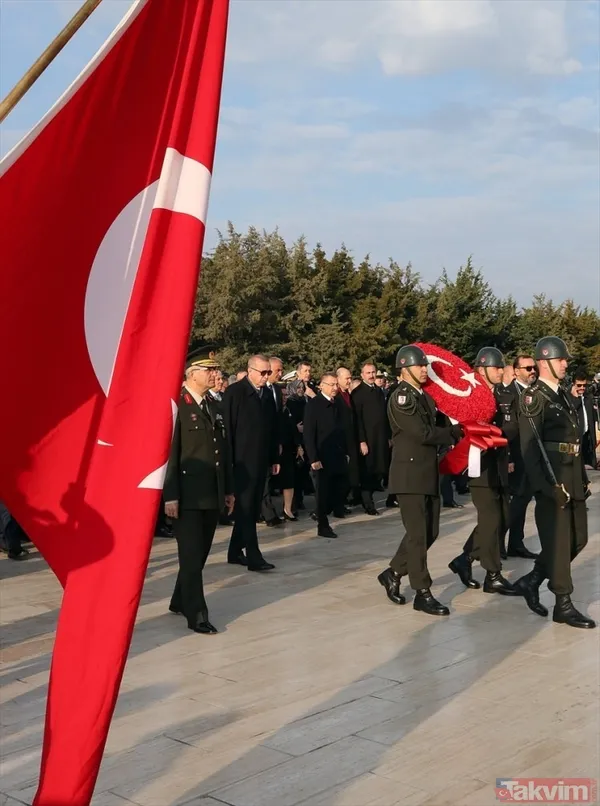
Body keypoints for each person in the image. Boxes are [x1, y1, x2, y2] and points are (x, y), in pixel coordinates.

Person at [514, 337, 595, 629]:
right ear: (545, 361)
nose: (565, 364)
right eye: (561, 359)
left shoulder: (560, 393)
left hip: (570, 474)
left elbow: (573, 439)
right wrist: (545, 487)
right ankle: (563, 602)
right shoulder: (533, 397)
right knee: (559, 542)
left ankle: (534, 578)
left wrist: (582, 477)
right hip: (553, 480)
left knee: (579, 538)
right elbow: (529, 447)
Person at [377, 345, 462, 617]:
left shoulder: (423, 396)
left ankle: (393, 572)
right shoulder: (401, 398)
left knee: (430, 531)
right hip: (409, 475)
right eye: (419, 366)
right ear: (404, 369)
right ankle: (422, 592)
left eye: (425, 366)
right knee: (417, 535)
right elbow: (422, 433)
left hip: (427, 472)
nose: (424, 370)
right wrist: (453, 433)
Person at [164, 348, 234, 634]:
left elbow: (223, 452)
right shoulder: (178, 406)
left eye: (215, 369)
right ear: (192, 374)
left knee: (199, 555)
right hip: (187, 495)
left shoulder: (211, 405)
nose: (214, 374)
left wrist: (227, 490)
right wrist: (171, 495)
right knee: (191, 556)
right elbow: (169, 454)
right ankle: (197, 613)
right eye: (209, 369)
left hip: (211, 492)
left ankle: (180, 599)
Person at [449, 347, 520, 596]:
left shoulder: (502, 394)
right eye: (496, 367)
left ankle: (465, 559)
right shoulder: (469, 396)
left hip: (498, 463)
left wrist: (498, 437)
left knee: (502, 517)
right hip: (478, 465)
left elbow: (511, 427)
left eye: (502, 367)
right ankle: (493, 574)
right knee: (490, 519)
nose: (501, 371)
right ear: (481, 370)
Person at [223, 354, 280, 571]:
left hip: (261, 460)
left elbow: (272, 429)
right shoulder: (235, 393)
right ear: (250, 371)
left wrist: (274, 457)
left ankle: (234, 551)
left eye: (269, 372)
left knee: (252, 507)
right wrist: (229, 462)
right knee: (246, 509)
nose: (266, 377)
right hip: (241, 462)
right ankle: (254, 555)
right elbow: (227, 430)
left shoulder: (266, 394)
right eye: (262, 372)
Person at [501, 355, 539, 559]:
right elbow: (506, 430)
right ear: (516, 371)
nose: (532, 371)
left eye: (534, 367)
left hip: (530, 457)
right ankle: (497, 542)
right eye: (527, 368)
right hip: (514, 456)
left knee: (523, 501)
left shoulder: (534, 392)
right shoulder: (508, 394)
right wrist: (508, 458)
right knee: (512, 504)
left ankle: (516, 543)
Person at [304, 373, 349, 538]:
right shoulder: (314, 405)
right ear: (321, 386)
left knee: (342, 486)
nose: (334, 388)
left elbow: (344, 428)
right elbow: (309, 433)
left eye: (336, 384)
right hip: (322, 455)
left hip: (337, 453)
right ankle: (322, 525)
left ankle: (324, 512)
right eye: (330, 385)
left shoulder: (338, 403)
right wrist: (313, 458)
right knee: (323, 491)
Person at [352, 362, 390, 515]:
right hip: (367, 439)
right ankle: (368, 503)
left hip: (380, 438)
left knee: (379, 469)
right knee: (367, 470)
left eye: (373, 372)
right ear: (362, 375)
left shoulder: (379, 391)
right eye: (368, 373)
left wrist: (388, 436)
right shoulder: (358, 393)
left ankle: (365, 497)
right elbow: (357, 419)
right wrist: (361, 441)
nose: (372, 375)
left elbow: (384, 416)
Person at [335, 367, 360, 508]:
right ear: (338, 379)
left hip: (351, 439)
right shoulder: (337, 397)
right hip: (341, 441)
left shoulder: (348, 395)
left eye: (350, 378)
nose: (349, 381)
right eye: (346, 378)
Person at [278, 384, 304, 521]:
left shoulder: (288, 410)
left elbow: (294, 429)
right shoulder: (273, 411)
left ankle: (287, 510)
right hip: (275, 449)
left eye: (286, 395)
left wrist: (299, 445)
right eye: (281, 395)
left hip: (289, 449)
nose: (284, 398)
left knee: (289, 480)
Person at [570, 372, 599, 469]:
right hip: (576, 437)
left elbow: (592, 416)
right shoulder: (568, 398)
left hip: (588, 435)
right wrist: (574, 397)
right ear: (573, 384)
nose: (582, 387)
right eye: (579, 385)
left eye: (584, 385)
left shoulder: (588, 397)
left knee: (589, 466)